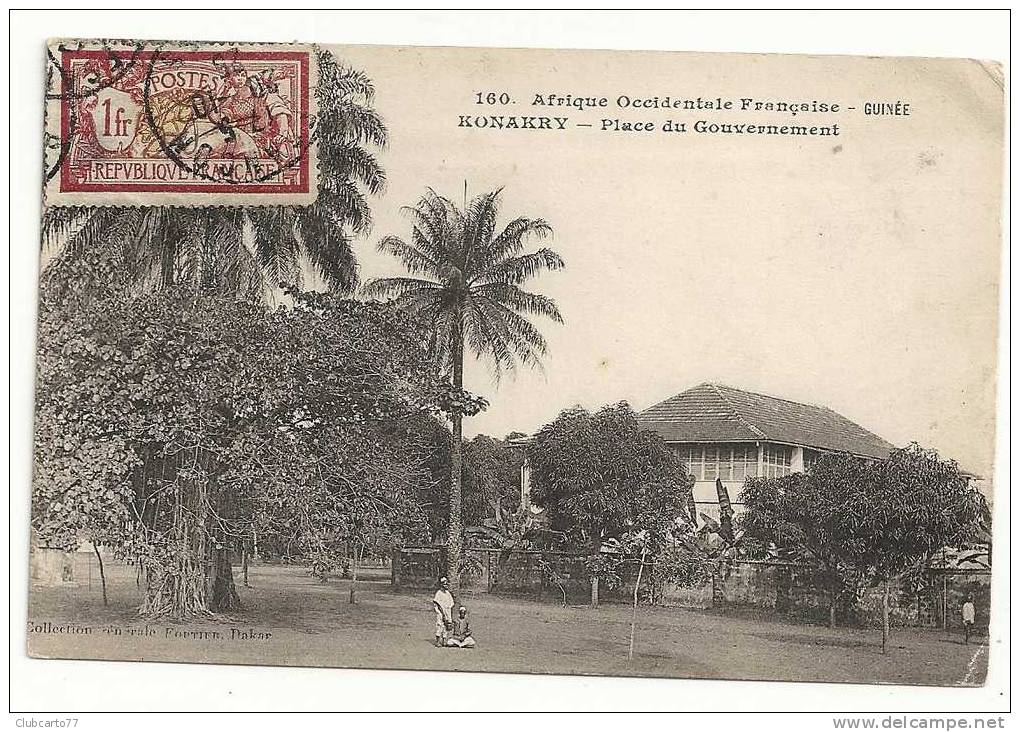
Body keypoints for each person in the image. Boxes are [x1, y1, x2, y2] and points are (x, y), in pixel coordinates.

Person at [432, 576, 455, 647]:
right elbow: (438, 604)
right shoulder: (439, 593)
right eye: (444, 584)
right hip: (441, 612)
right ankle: (438, 641)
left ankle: (444, 640)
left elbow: (451, 604)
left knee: (446, 626)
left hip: (448, 611)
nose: (446, 585)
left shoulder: (448, 593)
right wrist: (443, 614)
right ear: (441, 585)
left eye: (446, 584)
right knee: (440, 625)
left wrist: (448, 614)